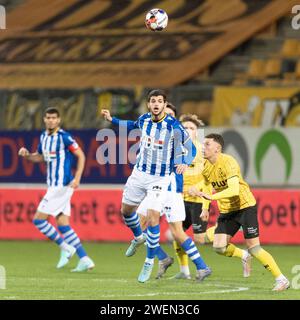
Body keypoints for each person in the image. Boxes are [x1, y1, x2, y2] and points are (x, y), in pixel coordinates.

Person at [101, 90, 209, 283]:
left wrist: (184, 161)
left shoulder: (174, 126)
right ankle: (145, 243)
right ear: (149, 105)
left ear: (165, 105)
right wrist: (112, 119)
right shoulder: (144, 120)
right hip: (140, 174)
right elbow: (131, 125)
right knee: (127, 212)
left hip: (163, 181)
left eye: (161, 101)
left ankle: (151, 261)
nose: (157, 104)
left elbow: (191, 148)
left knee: (154, 219)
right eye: (154, 101)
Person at [193, 133, 290, 291]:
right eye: (203, 144)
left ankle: (281, 279)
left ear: (218, 148)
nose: (204, 147)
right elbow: (205, 186)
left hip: (245, 207)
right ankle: (244, 256)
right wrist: (205, 207)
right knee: (219, 247)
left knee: (254, 247)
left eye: (207, 144)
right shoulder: (205, 165)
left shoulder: (228, 162)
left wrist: (211, 197)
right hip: (227, 211)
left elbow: (234, 190)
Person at [129, 104, 211, 281]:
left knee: (147, 222)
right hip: (166, 188)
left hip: (170, 189)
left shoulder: (182, 143)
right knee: (171, 230)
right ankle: (200, 266)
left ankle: (158, 259)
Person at [18, 107, 95, 272]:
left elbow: (81, 155)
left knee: (38, 220)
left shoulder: (64, 137)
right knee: (62, 224)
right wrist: (27, 155)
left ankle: (65, 247)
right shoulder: (43, 137)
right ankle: (85, 259)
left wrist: (78, 178)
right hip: (54, 185)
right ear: (44, 119)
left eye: (54, 118)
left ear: (59, 120)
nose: (51, 120)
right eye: (48, 118)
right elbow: (39, 157)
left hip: (61, 186)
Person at [176, 115, 251, 280]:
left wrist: (204, 204)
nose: (187, 131)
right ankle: (184, 270)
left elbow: (207, 181)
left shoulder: (201, 152)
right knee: (177, 231)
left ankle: (240, 251)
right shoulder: (175, 150)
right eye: (185, 128)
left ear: (197, 132)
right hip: (180, 198)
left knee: (200, 239)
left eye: (192, 128)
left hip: (197, 199)